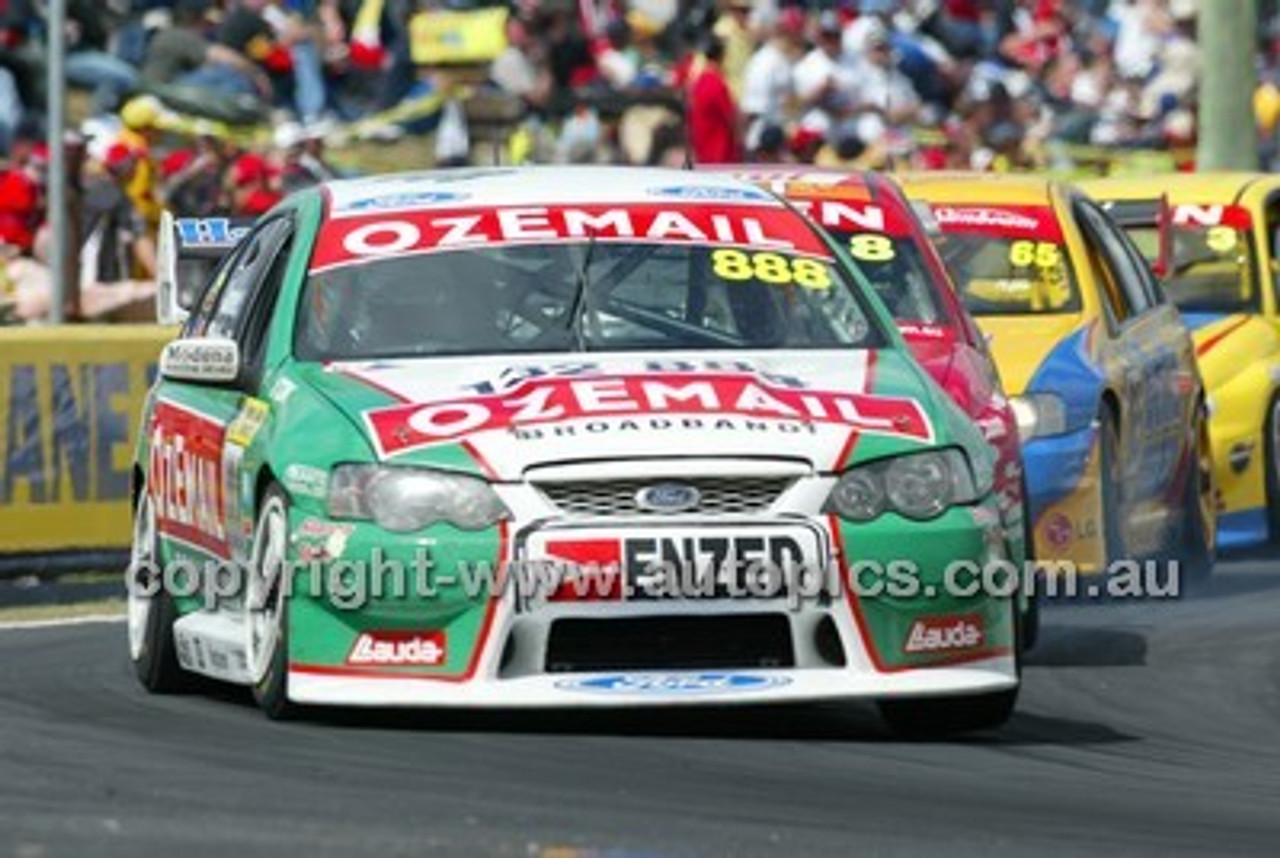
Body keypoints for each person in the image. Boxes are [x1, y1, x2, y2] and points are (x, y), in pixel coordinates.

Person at [687, 37, 743, 164]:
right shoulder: (717, 84)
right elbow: (731, 118)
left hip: (702, 149)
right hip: (720, 152)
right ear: (722, 56)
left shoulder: (699, 82)